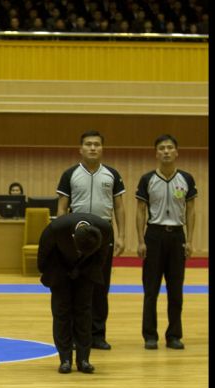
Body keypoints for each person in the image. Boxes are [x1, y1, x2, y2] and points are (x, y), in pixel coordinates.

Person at [55, 130, 126, 351]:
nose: (93, 148)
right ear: (81, 149)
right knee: (77, 286)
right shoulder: (69, 174)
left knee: (100, 286)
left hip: (104, 234)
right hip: (77, 234)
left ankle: (97, 335)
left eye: (96, 144)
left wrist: (122, 235)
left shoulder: (112, 175)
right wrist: (62, 237)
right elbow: (62, 208)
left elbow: (120, 207)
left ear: (102, 148)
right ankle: (78, 336)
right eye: (88, 144)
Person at [136, 134, 197, 350]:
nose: (166, 151)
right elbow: (141, 211)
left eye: (170, 147)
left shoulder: (187, 179)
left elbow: (191, 210)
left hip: (177, 236)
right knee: (150, 290)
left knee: (175, 290)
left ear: (177, 152)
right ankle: (150, 336)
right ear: (156, 153)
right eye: (161, 148)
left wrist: (189, 240)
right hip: (154, 235)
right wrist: (141, 240)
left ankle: (174, 336)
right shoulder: (147, 179)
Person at [38, 213, 113, 374]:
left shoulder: (105, 229)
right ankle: (65, 359)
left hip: (86, 271)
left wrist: (83, 271)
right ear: (72, 236)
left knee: (84, 313)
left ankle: (83, 359)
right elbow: (43, 254)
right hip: (59, 269)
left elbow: (101, 258)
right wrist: (49, 274)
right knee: (61, 313)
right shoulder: (57, 228)